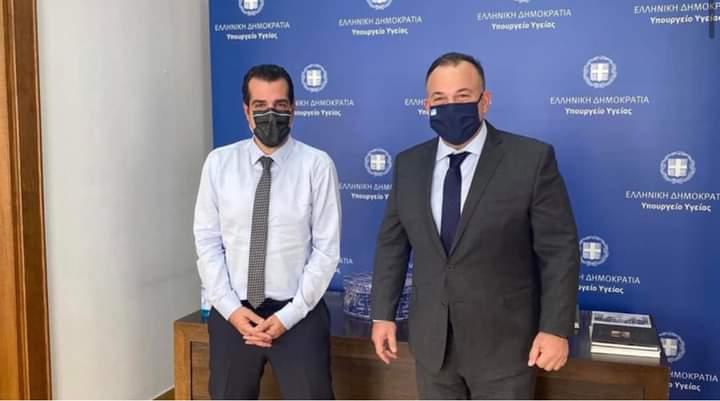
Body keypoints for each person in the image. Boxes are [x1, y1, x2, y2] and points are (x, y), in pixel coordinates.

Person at [370, 52, 580, 399]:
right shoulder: (408, 164)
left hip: (505, 348)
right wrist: (382, 315)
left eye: (463, 96)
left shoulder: (531, 160)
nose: (451, 106)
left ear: (485, 101)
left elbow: (559, 251)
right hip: (433, 348)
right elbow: (391, 245)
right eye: (440, 99)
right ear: (426, 105)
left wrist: (555, 329)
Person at [193, 64, 341, 399]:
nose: (270, 114)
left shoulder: (317, 165)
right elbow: (207, 241)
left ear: (294, 109)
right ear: (247, 111)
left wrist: (289, 316)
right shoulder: (218, 164)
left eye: (280, 105)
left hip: (298, 316)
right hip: (233, 316)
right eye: (260, 106)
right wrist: (230, 309)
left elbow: (326, 249)